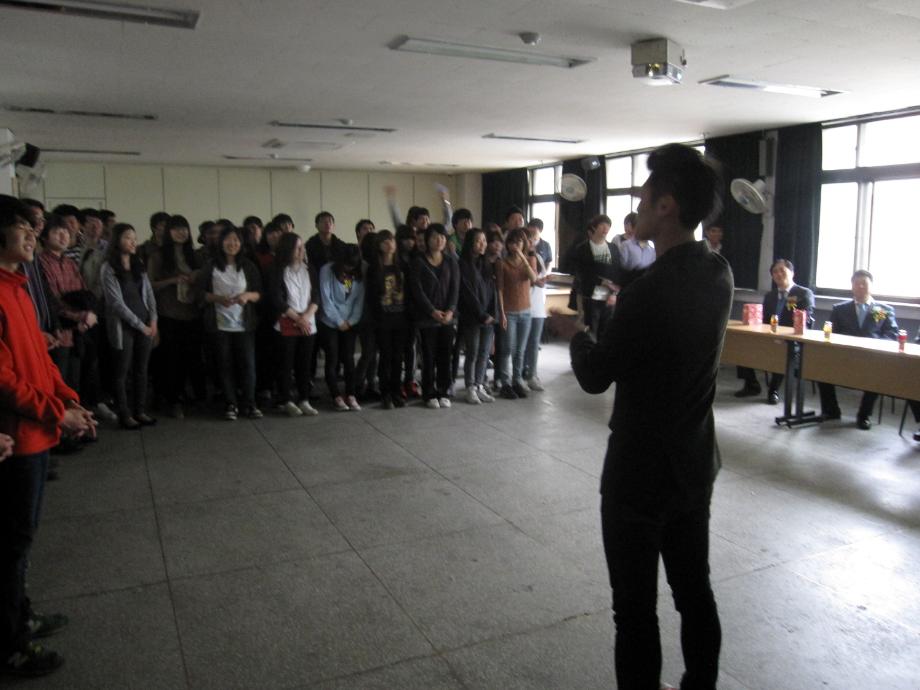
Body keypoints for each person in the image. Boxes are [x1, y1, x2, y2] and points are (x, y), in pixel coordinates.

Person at [553, 143, 730, 690]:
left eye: (646, 196)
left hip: (639, 472)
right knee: (694, 590)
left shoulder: (648, 292)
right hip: (693, 461)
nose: (639, 204)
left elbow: (594, 375)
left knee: (634, 609)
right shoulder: (719, 272)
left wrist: (576, 334)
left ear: (667, 205)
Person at [0, 195, 95, 677]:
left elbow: (38, 360)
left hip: (37, 434)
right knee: (11, 545)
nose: (32, 233)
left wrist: (68, 399)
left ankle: (20, 618)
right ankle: (9, 645)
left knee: (21, 540)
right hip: (15, 439)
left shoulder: (17, 285)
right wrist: (58, 413)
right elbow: (5, 380)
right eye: (22, 226)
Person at [818, 269, 899, 430]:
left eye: (864, 283)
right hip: (844, 356)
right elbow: (830, 332)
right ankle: (831, 410)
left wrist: (874, 346)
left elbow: (892, 335)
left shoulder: (884, 310)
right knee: (820, 370)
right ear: (852, 287)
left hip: (872, 358)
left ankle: (864, 415)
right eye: (857, 283)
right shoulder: (840, 309)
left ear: (871, 286)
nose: (860, 287)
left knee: (878, 375)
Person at [199, 225, 263, 420]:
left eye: (236, 240)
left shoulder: (248, 266)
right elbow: (199, 293)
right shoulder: (211, 265)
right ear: (221, 242)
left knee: (248, 364)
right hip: (219, 323)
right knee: (225, 364)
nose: (232, 243)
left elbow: (259, 293)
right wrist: (218, 298)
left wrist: (247, 296)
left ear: (241, 243)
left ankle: (250, 403)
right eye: (228, 240)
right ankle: (230, 403)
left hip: (244, 323)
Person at [100, 224, 158, 430]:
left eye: (134, 237)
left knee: (142, 370)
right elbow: (115, 303)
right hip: (123, 326)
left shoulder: (137, 263)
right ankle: (125, 413)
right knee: (122, 372)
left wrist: (153, 320)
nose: (133, 242)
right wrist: (140, 325)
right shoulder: (108, 267)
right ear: (117, 240)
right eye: (127, 238)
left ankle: (140, 410)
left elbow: (149, 293)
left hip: (145, 323)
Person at [147, 215, 204, 419]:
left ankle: (189, 397)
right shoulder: (158, 256)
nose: (181, 233)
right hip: (168, 314)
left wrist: (197, 276)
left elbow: (205, 279)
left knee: (192, 358)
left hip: (192, 314)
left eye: (184, 229)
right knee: (171, 360)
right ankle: (173, 400)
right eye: (176, 229)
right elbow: (149, 285)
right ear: (168, 232)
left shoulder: (194, 256)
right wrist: (172, 281)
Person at [735, 259, 815, 404]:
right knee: (743, 345)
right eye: (775, 272)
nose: (778, 274)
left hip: (791, 339)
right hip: (769, 336)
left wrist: (783, 335)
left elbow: (805, 320)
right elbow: (764, 320)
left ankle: (773, 390)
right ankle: (751, 384)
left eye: (782, 271)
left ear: (792, 272)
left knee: (781, 349)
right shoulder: (770, 296)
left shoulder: (803, 293)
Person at [269, 232, 320, 417]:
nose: (301, 250)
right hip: (287, 321)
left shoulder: (309, 269)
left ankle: (304, 399)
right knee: (286, 363)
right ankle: (287, 400)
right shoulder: (277, 270)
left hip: (308, 321)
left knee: (304, 363)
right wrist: (297, 318)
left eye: (302, 247)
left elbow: (316, 296)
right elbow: (277, 298)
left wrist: (306, 316)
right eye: (297, 248)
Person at [410, 224, 459, 408]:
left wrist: (450, 310)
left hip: (447, 317)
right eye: (435, 237)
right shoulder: (418, 262)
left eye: (443, 237)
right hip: (427, 318)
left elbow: (455, 288)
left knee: (445, 356)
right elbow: (417, 290)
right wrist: (432, 311)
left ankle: (444, 391)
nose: (439, 240)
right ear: (427, 240)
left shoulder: (451, 261)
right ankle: (429, 393)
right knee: (428, 357)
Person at [365, 230, 410, 409]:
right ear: (379, 246)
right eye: (385, 241)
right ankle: (385, 393)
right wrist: (376, 317)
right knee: (385, 356)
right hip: (382, 319)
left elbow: (410, 291)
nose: (389, 244)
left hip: (401, 318)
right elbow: (370, 296)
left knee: (398, 357)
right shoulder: (374, 268)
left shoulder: (403, 265)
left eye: (391, 240)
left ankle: (396, 391)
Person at [318, 244, 365, 411]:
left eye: (352, 266)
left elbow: (359, 302)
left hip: (350, 322)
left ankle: (351, 394)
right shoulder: (327, 270)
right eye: (346, 265)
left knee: (349, 359)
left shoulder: (357, 273)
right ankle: (336, 396)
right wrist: (339, 322)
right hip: (329, 322)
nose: (349, 269)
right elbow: (326, 300)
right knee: (333, 358)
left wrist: (350, 321)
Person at [458, 227, 497, 404]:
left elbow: (492, 290)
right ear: (470, 243)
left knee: (484, 353)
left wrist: (492, 313)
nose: (482, 244)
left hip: (488, 317)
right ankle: (470, 388)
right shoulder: (463, 264)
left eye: (484, 241)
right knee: (472, 353)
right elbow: (466, 293)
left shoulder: (486, 263)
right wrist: (481, 314)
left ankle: (479, 385)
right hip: (472, 316)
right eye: (478, 241)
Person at [570, 214, 624, 335]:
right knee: (591, 330)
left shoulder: (613, 248)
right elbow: (581, 273)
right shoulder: (582, 249)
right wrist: (602, 282)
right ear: (594, 227)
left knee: (606, 330)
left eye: (608, 226)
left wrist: (614, 293)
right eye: (602, 225)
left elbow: (617, 271)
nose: (606, 228)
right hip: (591, 294)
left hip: (609, 295)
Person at [522, 224, 549, 392]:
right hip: (523, 304)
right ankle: (519, 375)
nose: (531, 241)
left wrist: (543, 280)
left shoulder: (537, 256)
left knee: (533, 343)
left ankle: (532, 374)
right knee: (521, 344)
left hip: (538, 304)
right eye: (527, 238)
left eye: (532, 238)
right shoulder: (518, 257)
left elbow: (541, 276)